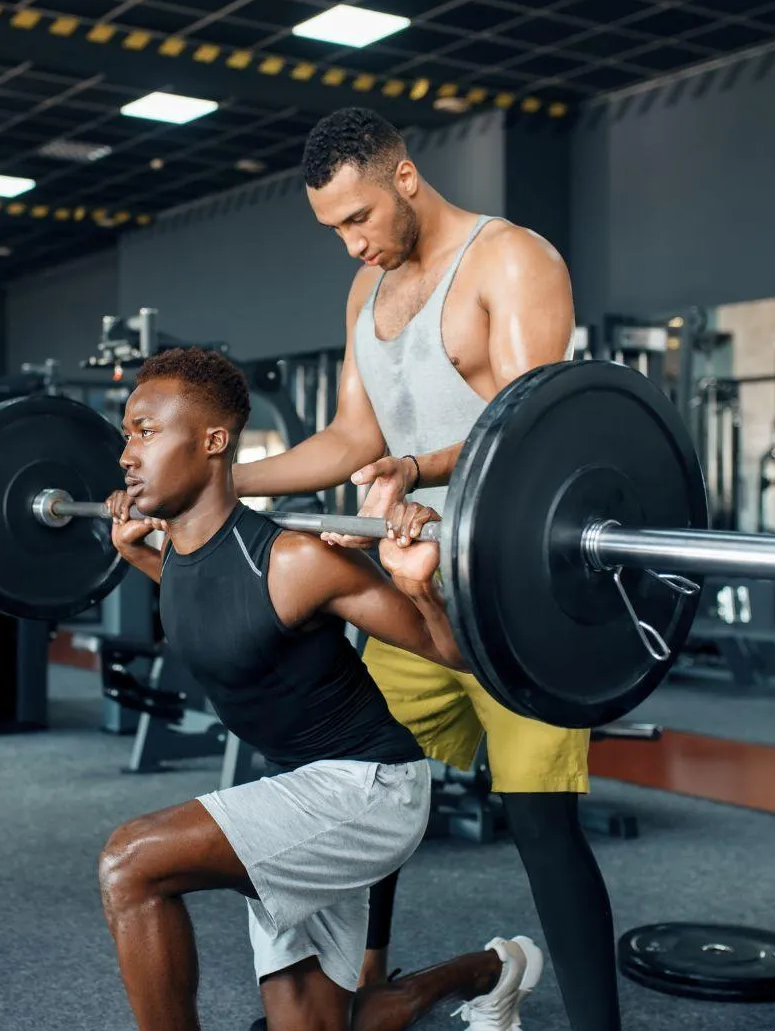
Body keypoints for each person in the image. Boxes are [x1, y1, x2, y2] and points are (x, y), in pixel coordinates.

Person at [232, 107, 620, 1031]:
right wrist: (214, 483)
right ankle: (363, 993)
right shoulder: (366, 295)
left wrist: (414, 468)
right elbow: (349, 439)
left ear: (405, 176)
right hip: (409, 594)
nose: (352, 244)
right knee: (367, 791)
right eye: (334, 230)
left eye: (359, 218)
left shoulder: (510, 260)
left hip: (516, 600)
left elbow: (531, 432)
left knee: (540, 825)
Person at [98, 347, 543, 1031]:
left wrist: (417, 585)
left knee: (131, 862)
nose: (128, 453)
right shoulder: (181, 551)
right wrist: (136, 554)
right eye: (128, 432)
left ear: (213, 441)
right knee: (315, 1025)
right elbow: (224, 613)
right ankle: (489, 971)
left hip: (370, 790)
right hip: (300, 788)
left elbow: (451, 653)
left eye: (146, 430)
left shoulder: (297, 561)